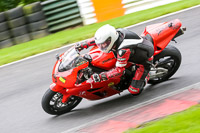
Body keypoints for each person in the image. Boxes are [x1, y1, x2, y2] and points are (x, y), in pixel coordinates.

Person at [75, 24, 154, 95]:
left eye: (104, 44)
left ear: (111, 40)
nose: (102, 46)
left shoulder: (123, 50)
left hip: (143, 61)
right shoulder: (114, 35)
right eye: (101, 44)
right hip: (134, 51)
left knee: (134, 90)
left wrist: (102, 76)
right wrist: (84, 44)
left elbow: (119, 71)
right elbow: (99, 40)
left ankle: (146, 76)